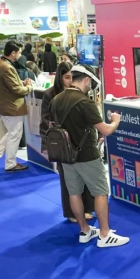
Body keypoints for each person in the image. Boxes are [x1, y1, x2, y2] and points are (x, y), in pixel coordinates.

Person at [50, 64, 129, 248]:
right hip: (87, 154)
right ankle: (104, 234)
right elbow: (106, 130)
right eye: (91, 84)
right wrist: (116, 121)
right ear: (86, 80)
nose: (90, 88)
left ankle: (85, 230)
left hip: (66, 155)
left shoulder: (56, 99)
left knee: (74, 193)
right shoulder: (85, 102)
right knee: (101, 191)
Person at [40, 62, 95, 222]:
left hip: (81, 141)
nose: (70, 80)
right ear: (60, 77)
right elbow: (45, 121)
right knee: (67, 180)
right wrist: (47, 144)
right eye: (66, 77)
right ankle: (71, 213)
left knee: (85, 176)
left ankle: (87, 208)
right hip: (62, 143)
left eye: (72, 77)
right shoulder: (51, 94)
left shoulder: (81, 92)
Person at [0, 41, 33, 174]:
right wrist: (29, 87)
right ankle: (10, 163)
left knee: (12, 133)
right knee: (14, 135)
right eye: (19, 52)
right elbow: (17, 90)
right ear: (13, 53)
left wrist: (22, 82)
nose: (20, 55)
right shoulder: (7, 67)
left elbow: (8, 84)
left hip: (4, 106)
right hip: (12, 107)